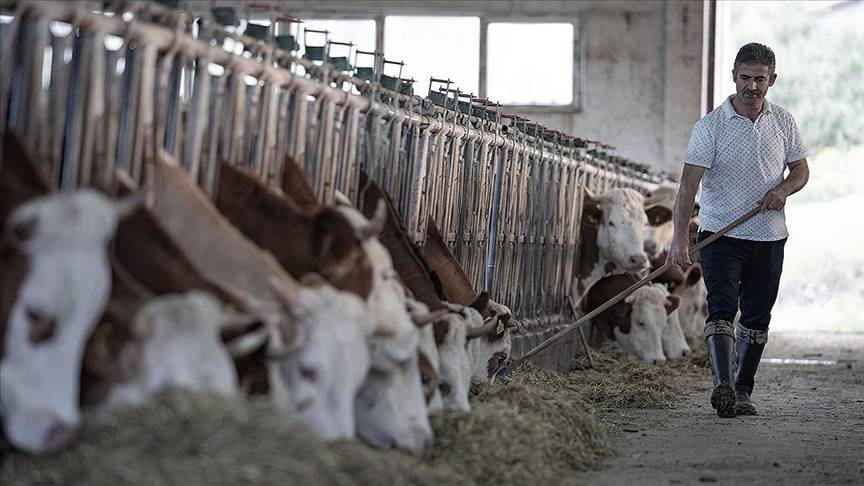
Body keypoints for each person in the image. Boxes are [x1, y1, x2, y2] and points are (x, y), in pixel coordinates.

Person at [666, 43, 810, 418]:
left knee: (758, 316)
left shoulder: (784, 122)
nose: (751, 86)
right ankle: (722, 386)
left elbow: (800, 171)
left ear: (772, 80)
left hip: (770, 236)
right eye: (744, 77)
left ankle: (742, 390)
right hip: (720, 236)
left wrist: (782, 189)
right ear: (734, 77)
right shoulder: (710, 127)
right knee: (722, 308)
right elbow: (687, 187)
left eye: (759, 79)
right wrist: (680, 238)